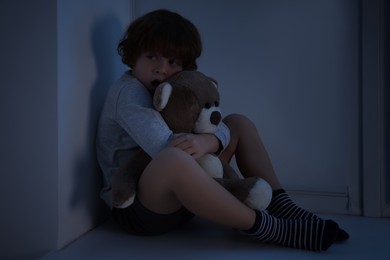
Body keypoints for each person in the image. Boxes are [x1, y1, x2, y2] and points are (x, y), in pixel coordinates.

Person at [96, 9, 349, 251]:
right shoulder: (130, 94)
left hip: (185, 199)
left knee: (238, 122)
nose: (162, 68)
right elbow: (168, 146)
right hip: (138, 209)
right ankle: (271, 228)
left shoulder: (177, 92)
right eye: (152, 56)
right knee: (173, 158)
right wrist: (205, 143)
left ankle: (282, 205)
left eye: (173, 61)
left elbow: (215, 127)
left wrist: (210, 143)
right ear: (133, 56)